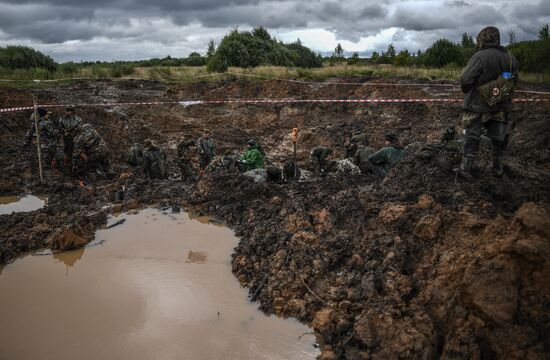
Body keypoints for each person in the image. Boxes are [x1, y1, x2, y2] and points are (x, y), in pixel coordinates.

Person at [455, 26, 519, 178]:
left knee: (472, 135)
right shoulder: (510, 58)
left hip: (477, 104)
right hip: (500, 102)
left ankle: (465, 169)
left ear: (482, 39)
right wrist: (497, 92)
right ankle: (498, 168)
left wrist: (472, 91)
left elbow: (465, 80)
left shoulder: (479, 56)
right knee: (498, 136)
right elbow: (514, 80)